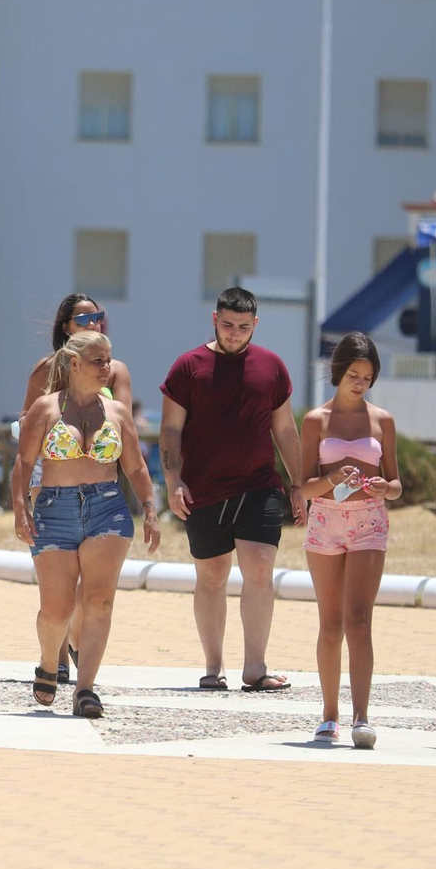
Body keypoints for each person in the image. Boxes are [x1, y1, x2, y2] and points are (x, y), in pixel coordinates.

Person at [159, 287, 306, 693]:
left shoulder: (272, 366)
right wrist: (173, 482)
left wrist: (299, 484)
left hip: (260, 485)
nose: (235, 333)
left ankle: (255, 668)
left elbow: (285, 429)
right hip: (203, 490)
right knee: (212, 575)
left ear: (255, 324)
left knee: (259, 569)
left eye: (243, 327)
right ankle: (213, 666)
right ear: (214, 320)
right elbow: (170, 429)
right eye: (227, 325)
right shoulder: (188, 367)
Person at [14, 331, 158, 717]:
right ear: (75, 364)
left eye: (109, 360)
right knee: (57, 610)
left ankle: (86, 688)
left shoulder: (117, 413)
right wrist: (19, 509)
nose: (107, 368)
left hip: (106, 508)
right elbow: (24, 464)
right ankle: (49, 661)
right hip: (53, 510)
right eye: (99, 361)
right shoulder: (44, 410)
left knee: (99, 600)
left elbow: (135, 466)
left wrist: (150, 507)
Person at [19, 293, 134, 680]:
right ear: (65, 326)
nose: (92, 323)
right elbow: (27, 425)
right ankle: (58, 658)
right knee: (60, 587)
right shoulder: (46, 369)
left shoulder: (115, 370)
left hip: (100, 482)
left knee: (94, 589)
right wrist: (28, 495)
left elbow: (125, 423)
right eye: (83, 318)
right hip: (50, 476)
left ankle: (77, 650)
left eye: (98, 317)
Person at [296, 333, 402, 748]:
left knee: (359, 619)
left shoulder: (383, 421)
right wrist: (331, 479)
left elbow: (396, 484)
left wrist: (384, 488)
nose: (360, 383)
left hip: (369, 521)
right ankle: (329, 715)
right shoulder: (315, 421)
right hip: (326, 520)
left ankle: (362, 715)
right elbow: (302, 488)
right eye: (353, 375)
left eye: (368, 376)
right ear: (338, 373)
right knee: (330, 623)